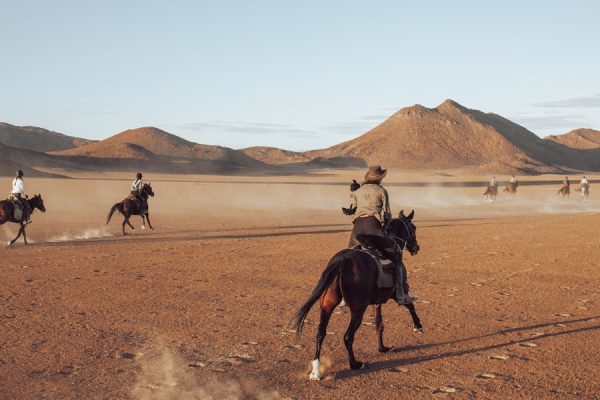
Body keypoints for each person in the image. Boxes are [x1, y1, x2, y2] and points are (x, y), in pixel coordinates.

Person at [346, 165, 414, 305]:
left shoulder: (359, 191)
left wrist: (353, 190)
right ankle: (401, 295)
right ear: (379, 178)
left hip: (357, 228)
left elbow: (353, 200)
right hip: (373, 226)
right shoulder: (382, 191)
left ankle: (342, 295)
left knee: (348, 256)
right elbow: (387, 213)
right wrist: (385, 225)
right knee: (396, 259)